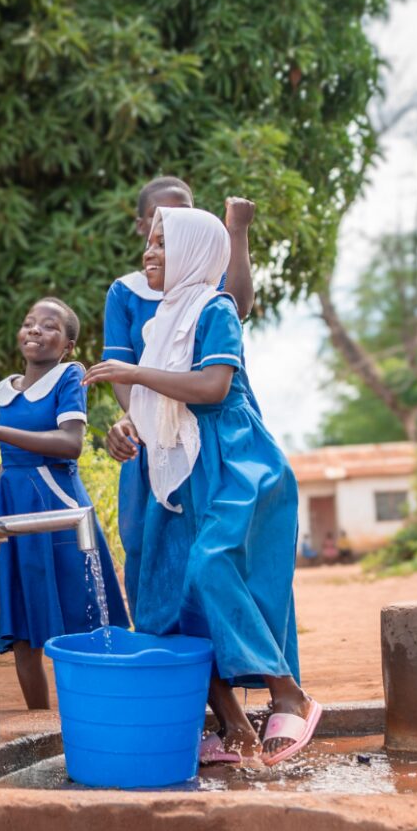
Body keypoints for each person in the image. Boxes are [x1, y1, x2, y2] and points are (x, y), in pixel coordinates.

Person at [86, 208, 319, 766]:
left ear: (194, 250)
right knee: (165, 600)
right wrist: (129, 423)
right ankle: (235, 729)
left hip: (233, 457)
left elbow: (213, 387)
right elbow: (154, 407)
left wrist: (136, 374)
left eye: (164, 244)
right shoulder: (157, 320)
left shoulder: (215, 311)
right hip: (178, 465)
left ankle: (289, 693)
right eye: (150, 242)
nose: (151, 253)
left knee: (212, 566)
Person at [103, 177, 257, 608]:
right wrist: (137, 419)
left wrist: (237, 233)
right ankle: (171, 662)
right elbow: (123, 374)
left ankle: (232, 665)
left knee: (217, 547)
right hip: (156, 436)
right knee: (152, 548)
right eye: (157, 222)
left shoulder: (211, 293)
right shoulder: (129, 293)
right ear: (141, 229)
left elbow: (238, 307)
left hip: (209, 430)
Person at [0, 299, 127, 709]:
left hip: (58, 507)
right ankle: (42, 723)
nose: (34, 330)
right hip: (15, 509)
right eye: (29, 323)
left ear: (67, 345)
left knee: (82, 616)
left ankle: (99, 712)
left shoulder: (70, 376)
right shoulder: (6, 390)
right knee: (25, 627)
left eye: (48, 327)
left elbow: (71, 444)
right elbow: (12, 466)